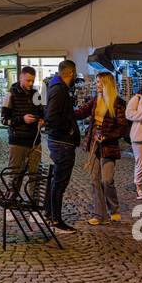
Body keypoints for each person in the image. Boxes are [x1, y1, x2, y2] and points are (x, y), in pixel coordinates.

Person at [43, 60, 91, 232]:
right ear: (71, 73)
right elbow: (52, 116)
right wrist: (69, 130)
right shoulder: (59, 89)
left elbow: (65, 114)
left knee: (56, 180)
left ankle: (50, 213)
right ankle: (56, 219)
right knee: (60, 182)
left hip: (60, 141)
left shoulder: (55, 87)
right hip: (62, 142)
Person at [77, 71, 129, 224]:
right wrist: (65, 113)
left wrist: (107, 136)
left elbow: (122, 128)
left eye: (99, 82)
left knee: (107, 180)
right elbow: (82, 112)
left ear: (107, 84)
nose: (96, 84)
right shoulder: (95, 99)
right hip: (94, 144)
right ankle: (99, 214)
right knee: (94, 180)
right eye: (96, 82)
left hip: (108, 146)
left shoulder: (118, 103)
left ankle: (114, 209)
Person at [1, 66, 43, 199]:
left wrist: (42, 120)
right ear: (20, 78)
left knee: (35, 175)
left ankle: (33, 204)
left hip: (35, 141)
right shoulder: (11, 94)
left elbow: (42, 113)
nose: (30, 84)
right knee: (15, 174)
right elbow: (3, 120)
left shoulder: (36, 94)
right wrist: (22, 119)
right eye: (27, 80)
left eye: (32, 81)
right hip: (17, 141)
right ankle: (10, 202)